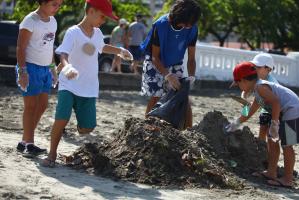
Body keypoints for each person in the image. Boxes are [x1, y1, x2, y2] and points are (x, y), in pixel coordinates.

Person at [42, 0, 132, 167]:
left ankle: (79, 122)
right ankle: (52, 153)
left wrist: (120, 51)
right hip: (69, 82)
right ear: (91, 11)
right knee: (61, 119)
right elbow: (63, 54)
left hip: (88, 86)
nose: (104, 20)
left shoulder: (97, 33)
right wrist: (67, 67)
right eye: (102, 16)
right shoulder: (73, 32)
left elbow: (102, 46)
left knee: (88, 128)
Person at [226, 62, 299, 188]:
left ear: (243, 81)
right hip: (284, 113)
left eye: (238, 84)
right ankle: (271, 172)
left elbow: (275, 102)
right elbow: (251, 110)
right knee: (271, 141)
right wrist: (237, 122)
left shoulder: (260, 87)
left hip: (294, 112)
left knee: (287, 145)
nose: (239, 87)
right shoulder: (257, 91)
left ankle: (288, 179)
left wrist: (274, 124)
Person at [140, 0, 201, 129]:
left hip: (175, 62)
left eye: (191, 24)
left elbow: (191, 58)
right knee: (156, 96)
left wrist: (191, 76)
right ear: (180, 17)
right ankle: (146, 129)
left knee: (182, 96)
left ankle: (188, 131)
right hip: (155, 62)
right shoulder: (161, 25)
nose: (189, 26)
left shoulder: (192, 29)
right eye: (187, 23)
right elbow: (155, 57)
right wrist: (167, 75)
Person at [15, 0, 62, 157]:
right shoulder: (30, 20)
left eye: (60, 4)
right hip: (30, 67)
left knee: (42, 105)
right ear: (42, 2)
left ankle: (24, 142)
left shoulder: (53, 21)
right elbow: (20, 48)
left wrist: (53, 70)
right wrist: (23, 72)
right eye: (54, 4)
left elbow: (49, 47)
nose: (58, 7)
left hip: (45, 69)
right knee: (30, 106)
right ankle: (30, 144)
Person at [242, 53, 279, 141]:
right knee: (262, 129)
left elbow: (256, 104)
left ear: (269, 69)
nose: (255, 69)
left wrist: (244, 114)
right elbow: (247, 91)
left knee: (271, 138)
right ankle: (261, 147)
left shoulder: (271, 84)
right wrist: (244, 97)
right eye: (254, 67)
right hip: (265, 109)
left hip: (276, 111)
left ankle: (270, 152)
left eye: (258, 67)